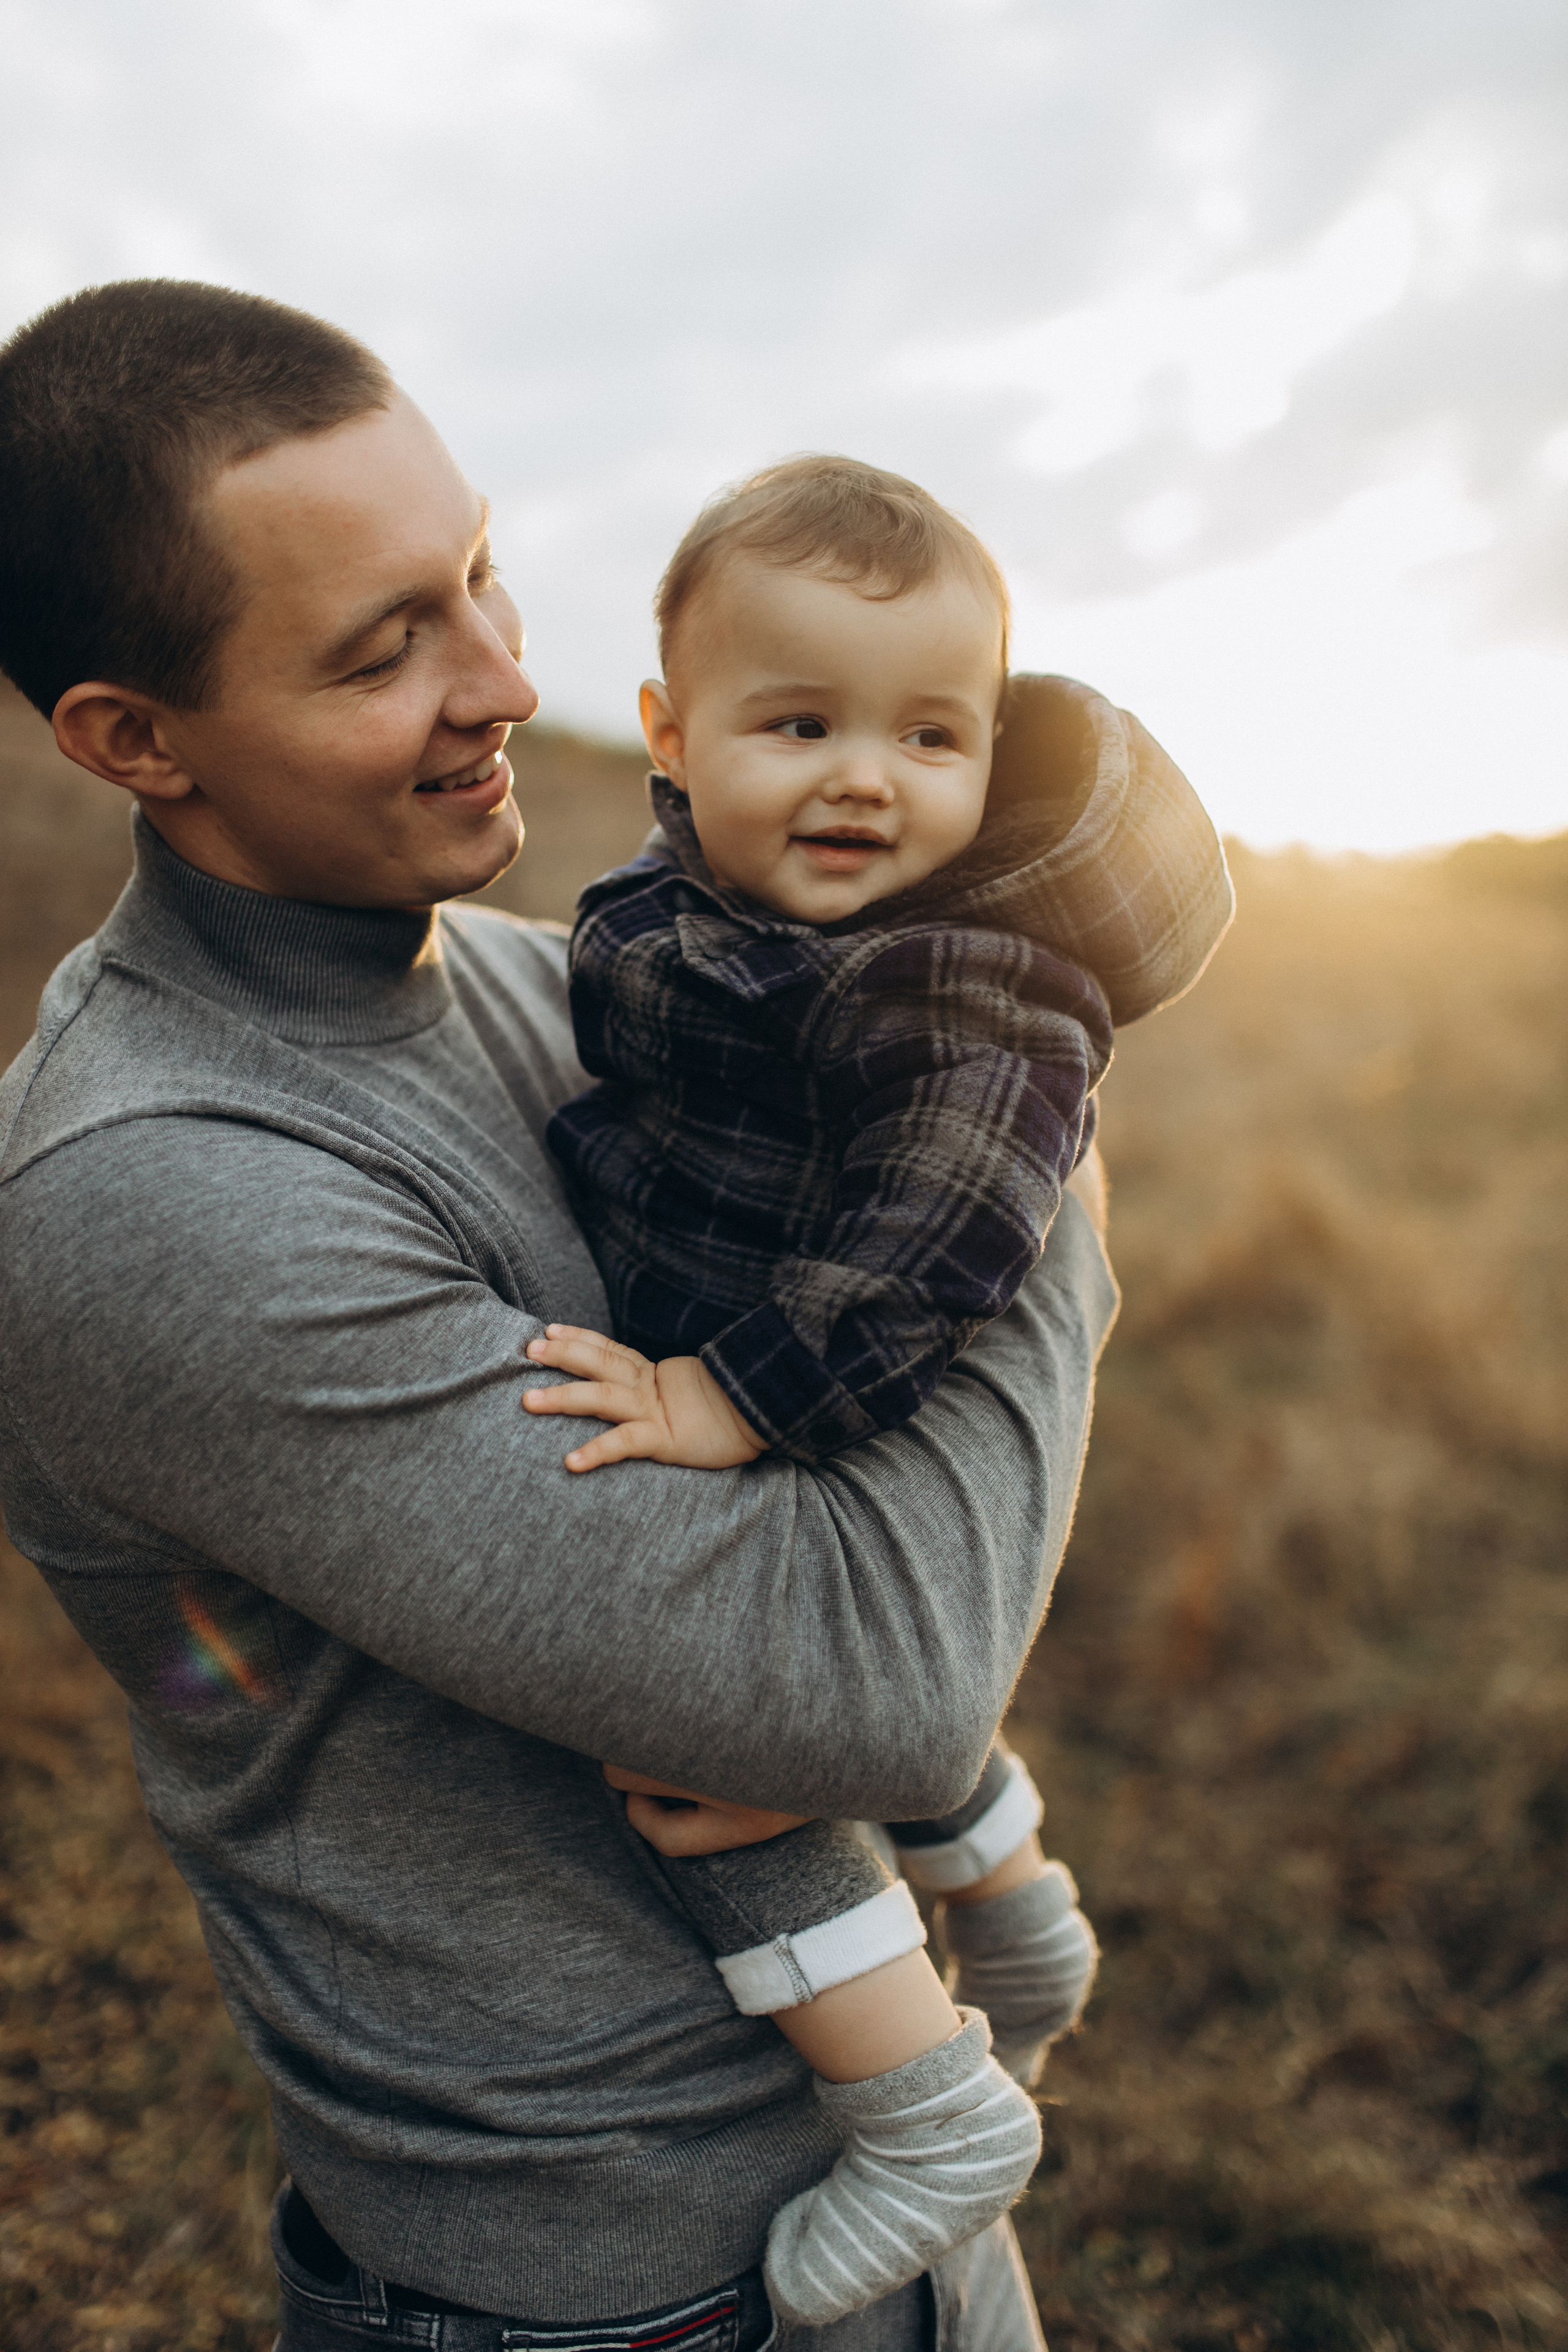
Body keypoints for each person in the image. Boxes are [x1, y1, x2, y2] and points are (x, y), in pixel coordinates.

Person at [0, 278, 1119, 2352]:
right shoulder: (151, 1194)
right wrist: (1041, 1139)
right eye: (382, 647)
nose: (505, 676)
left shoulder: (539, 982)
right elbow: (869, 1681)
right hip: (619, 2286)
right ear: (129, 739)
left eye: (481, 575)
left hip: (889, 2174)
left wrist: (984, 1105)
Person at [518, 459, 1233, 2326]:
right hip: (761, 1344)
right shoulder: (704, 910)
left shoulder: (964, 982)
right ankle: (1011, 1901)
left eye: (934, 735)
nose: (868, 777)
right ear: (672, 735)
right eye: (803, 721)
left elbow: (933, 1241)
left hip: (825, 1394)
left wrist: (733, 1399)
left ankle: (926, 2108)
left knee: (718, 1755)